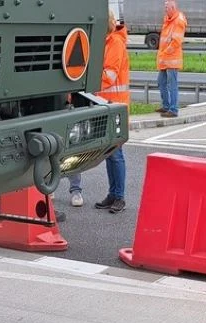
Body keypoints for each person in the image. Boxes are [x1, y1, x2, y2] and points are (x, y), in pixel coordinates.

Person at [94, 10, 130, 214]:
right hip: (108, 104)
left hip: (114, 106)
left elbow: (109, 75)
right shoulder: (109, 41)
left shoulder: (114, 43)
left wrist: (88, 81)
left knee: (115, 153)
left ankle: (119, 197)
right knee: (110, 152)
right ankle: (114, 194)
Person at [157, 0, 187, 118]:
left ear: (173, 7)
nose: (165, 10)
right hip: (165, 59)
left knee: (171, 84)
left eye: (167, 7)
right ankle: (166, 106)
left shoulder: (178, 21)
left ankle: (173, 109)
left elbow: (176, 41)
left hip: (171, 59)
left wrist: (164, 53)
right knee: (161, 82)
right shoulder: (168, 19)